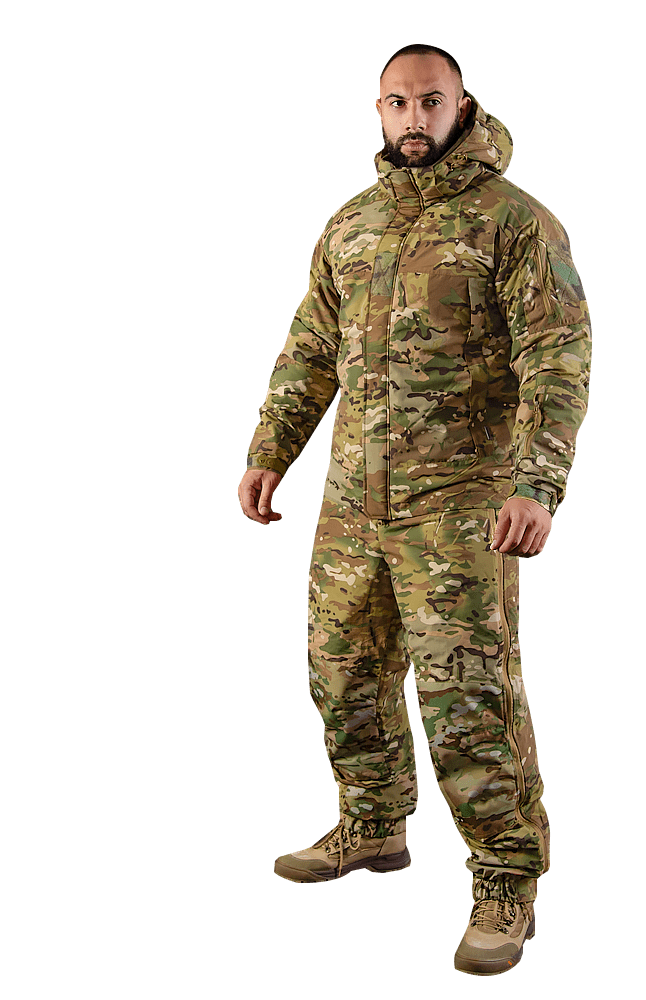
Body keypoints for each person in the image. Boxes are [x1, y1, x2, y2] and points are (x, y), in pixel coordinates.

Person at [238, 43, 591, 976]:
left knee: (467, 696)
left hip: (460, 506)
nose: (413, 119)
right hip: (352, 502)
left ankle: (506, 877)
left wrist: (538, 483)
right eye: (396, 103)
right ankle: (372, 821)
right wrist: (271, 452)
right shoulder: (350, 224)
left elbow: (557, 354)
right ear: (380, 112)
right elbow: (310, 347)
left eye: (430, 101)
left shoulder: (514, 220)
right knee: (340, 670)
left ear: (462, 106)